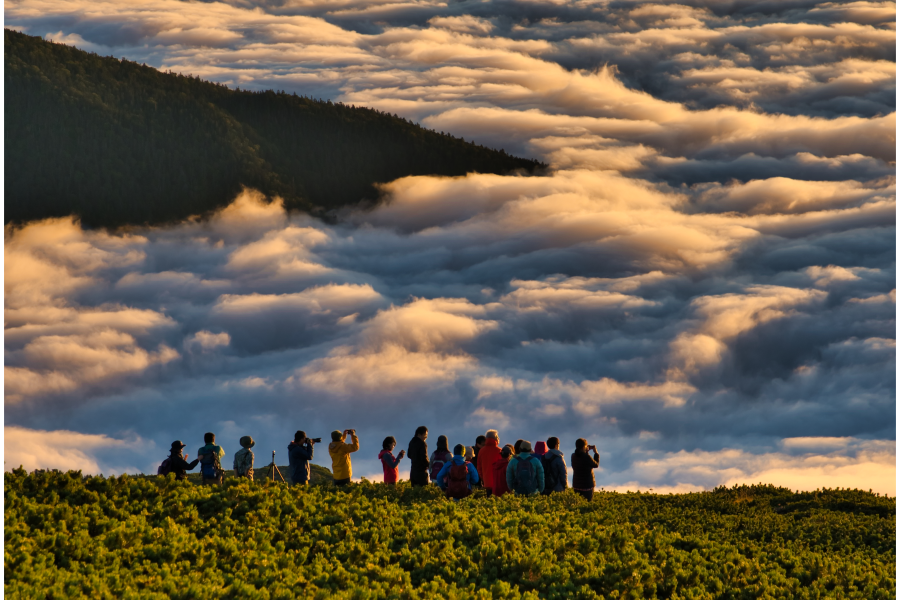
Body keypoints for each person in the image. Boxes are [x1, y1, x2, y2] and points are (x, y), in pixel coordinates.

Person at [476, 429, 502, 494]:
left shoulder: (481, 451)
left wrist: (483, 478)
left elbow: (479, 467)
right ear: (496, 438)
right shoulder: (499, 451)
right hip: (498, 483)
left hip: (486, 483)